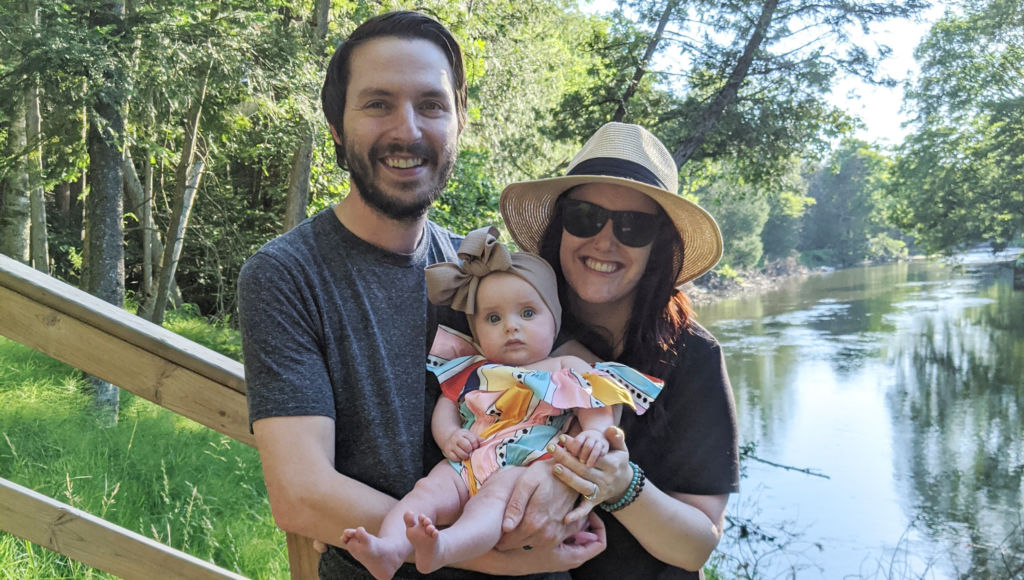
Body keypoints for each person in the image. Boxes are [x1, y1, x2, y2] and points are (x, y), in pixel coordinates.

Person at [237, 11, 602, 580]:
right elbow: (302, 494)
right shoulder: (287, 274)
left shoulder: (483, 268)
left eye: (431, 105)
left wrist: (558, 482)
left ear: (458, 122)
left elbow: (575, 377)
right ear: (336, 126)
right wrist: (497, 559)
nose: (407, 130)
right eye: (378, 104)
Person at [340, 227, 663, 580]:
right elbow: (447, 407)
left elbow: (594, 403)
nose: (511, 327)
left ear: (554, 322)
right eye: (494, 319)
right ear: (476, 333)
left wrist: (596, 435)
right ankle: (390, 548)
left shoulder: (564, 367)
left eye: (527, 314)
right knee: (426, 491)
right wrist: (449, 436)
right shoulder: (472, 369)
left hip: (520, 469)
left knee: (491, 505)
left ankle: (444, 548)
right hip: (469, 460)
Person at [499, 122, 740, 578]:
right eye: (585, 217)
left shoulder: (693, 357)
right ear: (559, 227)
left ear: (659, 245)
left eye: (634, 226)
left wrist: (621, 485)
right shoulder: (516, 321)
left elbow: (696, 545)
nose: (605, 241)